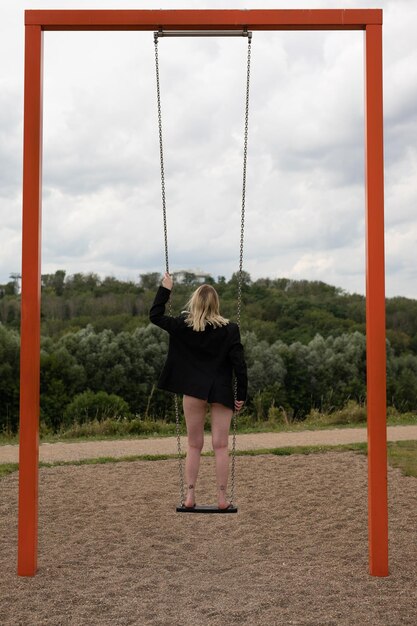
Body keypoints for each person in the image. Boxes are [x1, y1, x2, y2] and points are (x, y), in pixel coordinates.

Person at [150, 272, 248, 510]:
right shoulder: (230, 329)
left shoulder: (183, 326)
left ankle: (190, 497)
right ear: (216, 305)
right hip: (221, 391)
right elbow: (239, 365)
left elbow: (155, 315)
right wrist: (241, 395)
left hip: (193, 390)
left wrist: (166, 289)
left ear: (194, 303)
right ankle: (223, 499)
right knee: (221, 445)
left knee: (194, 445)